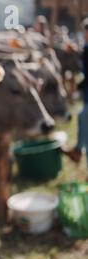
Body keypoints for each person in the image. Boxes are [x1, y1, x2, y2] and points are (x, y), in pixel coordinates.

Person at [64, 19, 88, 167]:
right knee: (82, 117)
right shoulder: (85, 48)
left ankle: (78, 150)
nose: (86, 34)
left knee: (83, 115)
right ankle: (78, 150)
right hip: (87, 95)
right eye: (85, 31)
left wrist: (78, 87)